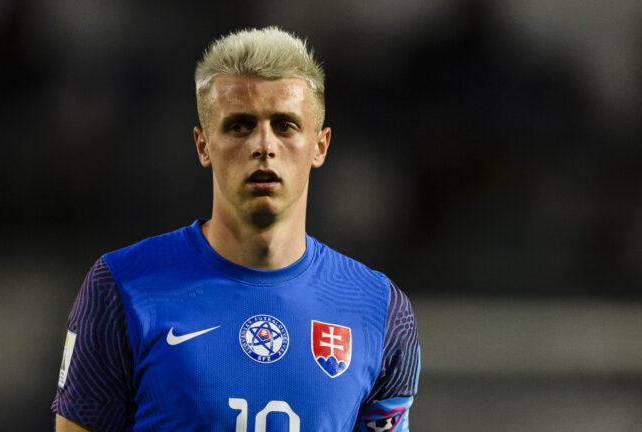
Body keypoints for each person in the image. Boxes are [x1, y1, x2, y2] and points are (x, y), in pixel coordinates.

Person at [52, 27, 420, 432]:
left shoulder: (380, 310)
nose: (264, 145)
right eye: (240, 126)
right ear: (203, 145)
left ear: (320, 145)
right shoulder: (121, 287)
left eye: (285, 125)